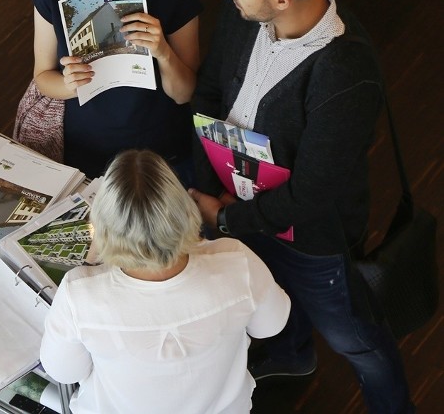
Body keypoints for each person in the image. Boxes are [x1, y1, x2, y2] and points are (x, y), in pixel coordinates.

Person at [188, 0, 414, 413]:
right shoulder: (247, 12)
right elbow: (209, 89)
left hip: (310, 237)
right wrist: (218, 194)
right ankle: (291, 356)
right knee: (270, 298)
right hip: (239, 206)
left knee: (357, 339)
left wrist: (224, 216)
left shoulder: (345, 73)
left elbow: (313, 191)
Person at [40, 150, 290, 414]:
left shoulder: (79, 293)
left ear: (103, 225)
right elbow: (270, 326)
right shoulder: (236, 261)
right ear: (184, 210)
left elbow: (65, 371)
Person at [31, 0, 202, 180]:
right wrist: (69, 84)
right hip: (85, 146)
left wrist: (162, 51)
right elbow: (43, 77)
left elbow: (185, 93)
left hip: (160, 149)